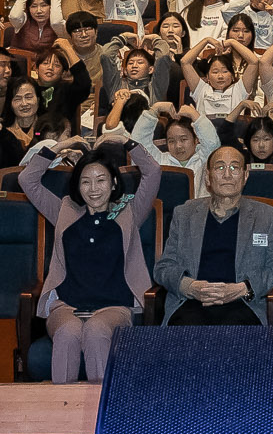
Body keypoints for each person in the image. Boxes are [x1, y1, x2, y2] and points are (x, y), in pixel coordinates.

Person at [22, 133, 165, 382]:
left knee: (96, 332)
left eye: (101, 180)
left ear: (113, 184)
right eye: (85, 182)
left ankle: (98, 411)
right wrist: (59, 146)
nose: (93, 188)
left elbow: (152, 172)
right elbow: (27, 179)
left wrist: (125, 140)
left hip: (113, 307)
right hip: (66, 306)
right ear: (77, 186)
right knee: (67, 333)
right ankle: (63, 410)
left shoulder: (129, 211)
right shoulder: (65, 210)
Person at [155, 144, 273, 325]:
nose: (227, 174)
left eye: (234, 168)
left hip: (242, 303)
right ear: (208, 178)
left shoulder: (266, 216)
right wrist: (191, 287)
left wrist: (244, 288)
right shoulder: (184, 214)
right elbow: (164, 267)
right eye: (220, 167)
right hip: (192, 302)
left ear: (245, 176)